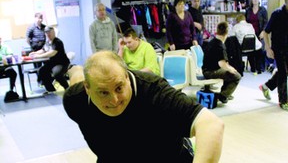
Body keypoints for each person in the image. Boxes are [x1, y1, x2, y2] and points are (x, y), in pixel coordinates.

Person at [63, 50, 224, 163]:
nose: (114, 100)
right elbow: (77, 78)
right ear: (87, 88)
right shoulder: (75, 101)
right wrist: (74, 70)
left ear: (127, 76)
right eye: (103, 93)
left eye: (119, 88)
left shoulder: (155, 91)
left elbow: (211, 124)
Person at [202, 21, 242, 104]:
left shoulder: (212, 41)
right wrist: (231, 69)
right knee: (236, 76)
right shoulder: (220, 46)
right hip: (210, 72)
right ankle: (223, 96)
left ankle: (226, 93)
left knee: (229, 71)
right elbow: (222, 64)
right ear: (227, 32)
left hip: (206, 69)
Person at [262, 0, 288, 111]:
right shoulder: (277, 14)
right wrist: (267, 48)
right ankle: (283, 101)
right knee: (283, 73)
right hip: (278, 48)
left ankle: (266, 86)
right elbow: (265, 32)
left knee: (285, 72)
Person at [29, 26, 70, 93]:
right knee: (41, 71)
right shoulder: (48, 42)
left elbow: (52, 53)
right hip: (52, 63)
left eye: (49, 32)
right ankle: (51, 90)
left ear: (53, 32)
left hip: (61, 63)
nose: (48, 34)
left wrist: (38, 56)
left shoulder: (57, 42)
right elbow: (43, 50)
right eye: (46, 33)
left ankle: (67, 89)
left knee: (57, 74)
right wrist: (35, 53)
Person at [245, 0, 268, 71]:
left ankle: (260, 67)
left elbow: (266, 22)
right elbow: (245, 21)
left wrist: (263, 31)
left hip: (260, 32)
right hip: (250, 33)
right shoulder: (248, 10)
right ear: (251, 0)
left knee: (260, 50)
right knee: (251, 50)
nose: (255, 0)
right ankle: (253, 67)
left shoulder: (263, 10)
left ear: (259, 0)